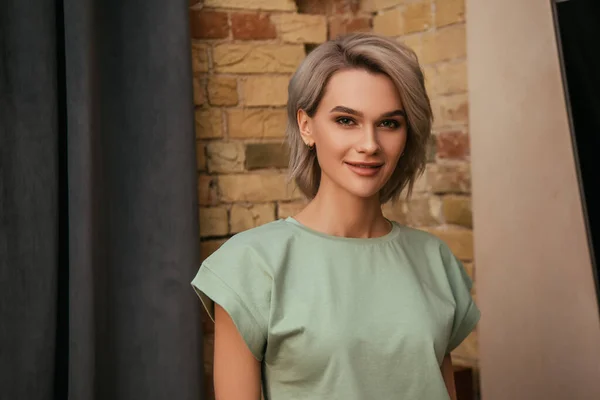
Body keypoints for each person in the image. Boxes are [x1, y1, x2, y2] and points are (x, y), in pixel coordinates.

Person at [191, 32, 480, 400]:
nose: (370, 144)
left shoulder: (433, 260)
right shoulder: (250, 266)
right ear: (306, 126)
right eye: (347, 120)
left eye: (389, 123)